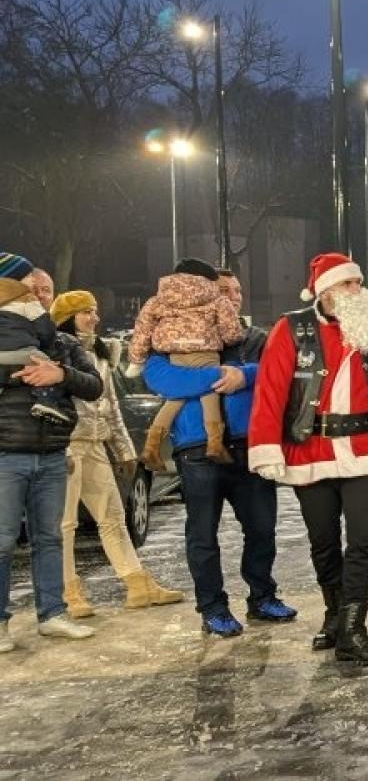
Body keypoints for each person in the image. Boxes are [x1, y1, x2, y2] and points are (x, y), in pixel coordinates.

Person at [248, 253, 368, 666]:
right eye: (348, 284)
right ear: (325, 290)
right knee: (323, 542)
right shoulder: (292, 330)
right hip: (311, 450)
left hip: (366, 448)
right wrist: (266, 447)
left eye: (357, 283)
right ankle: (334, 615)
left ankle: (353, 629)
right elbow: (271, 391)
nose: (357, 290)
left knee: (362, 542)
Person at [143, 269, 296, 638]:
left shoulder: (255, 338)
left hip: (249, 445)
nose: (233, 295)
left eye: (238, 289)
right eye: (224, 289)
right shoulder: (172, 336)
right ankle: (212, 606)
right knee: (202, 534)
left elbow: (282, 371)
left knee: (262, 528)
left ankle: (262, 596)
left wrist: (244, 374)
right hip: (196, 448)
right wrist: (214, 376)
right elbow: (159, 378)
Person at [50, 291, 185, 619]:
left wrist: (124, 451)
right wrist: (61, 446)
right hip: (67, 445)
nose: (94, 318)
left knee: (112, 516)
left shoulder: (100, 352)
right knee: (64, 524)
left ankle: (137, 584)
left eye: (94, 311)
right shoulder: (54, 350)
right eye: (86, 312)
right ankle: (69, 590)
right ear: (69, 317)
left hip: (95, 445)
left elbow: (110, 406)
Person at [0, 255, 103, 651]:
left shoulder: (63, 342)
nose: (39, 296)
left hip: (53, 452)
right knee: (4, 540)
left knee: (50, 538)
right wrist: (22, 370)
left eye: (45, 290)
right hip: (6, 453)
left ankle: (52, 614)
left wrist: (59, 374)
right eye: (31, 288)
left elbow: (94, 386)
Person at [126, 259, 247, 470]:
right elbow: (231, 331)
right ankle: (215, 443)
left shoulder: (158, 300)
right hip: (206, 349)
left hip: (175, 352)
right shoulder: (216, 299)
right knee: (210, 390)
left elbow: (143, 329)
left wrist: (136, 359)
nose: (232, 296)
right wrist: (233, 339)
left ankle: (152, 446)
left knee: (176, 397)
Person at [0, 262, 72, 428]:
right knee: (48, 364)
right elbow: (46, 332)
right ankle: (46, 401)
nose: (38, 293)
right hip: (23, 353)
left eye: (46, 290)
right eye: (30, 281)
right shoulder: (27, 302)